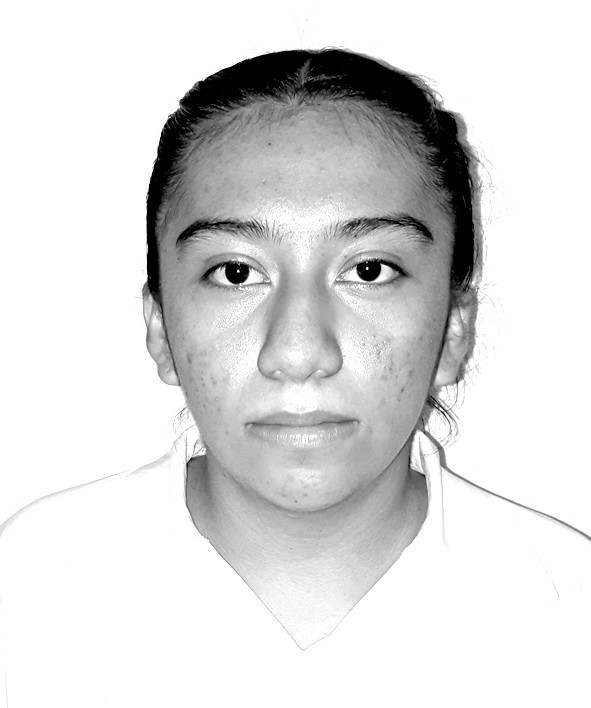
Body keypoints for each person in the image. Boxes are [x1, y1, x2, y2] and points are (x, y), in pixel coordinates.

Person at [1, 48, 589, 708]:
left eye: (368, 271)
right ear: (160, 327)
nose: (299, 352)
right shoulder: (24, 597)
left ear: (453, 329)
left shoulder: (571, 619)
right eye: (236, 273)